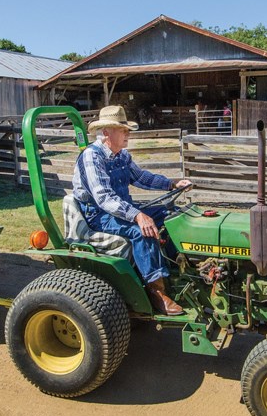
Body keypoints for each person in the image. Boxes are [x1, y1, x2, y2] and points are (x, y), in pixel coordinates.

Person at [72, 105, 192, 316]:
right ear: (107, 132)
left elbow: (142, 178)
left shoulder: (121, 155)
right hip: (99, 215)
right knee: (142, 230)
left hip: (122, 209)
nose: (127, 133)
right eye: (123, 129)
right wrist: (138, 215)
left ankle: (179, 268)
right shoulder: (92, 157)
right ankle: (157, 291)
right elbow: (104, 198)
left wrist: (172, 184)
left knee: (171, 215)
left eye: (127, 129)